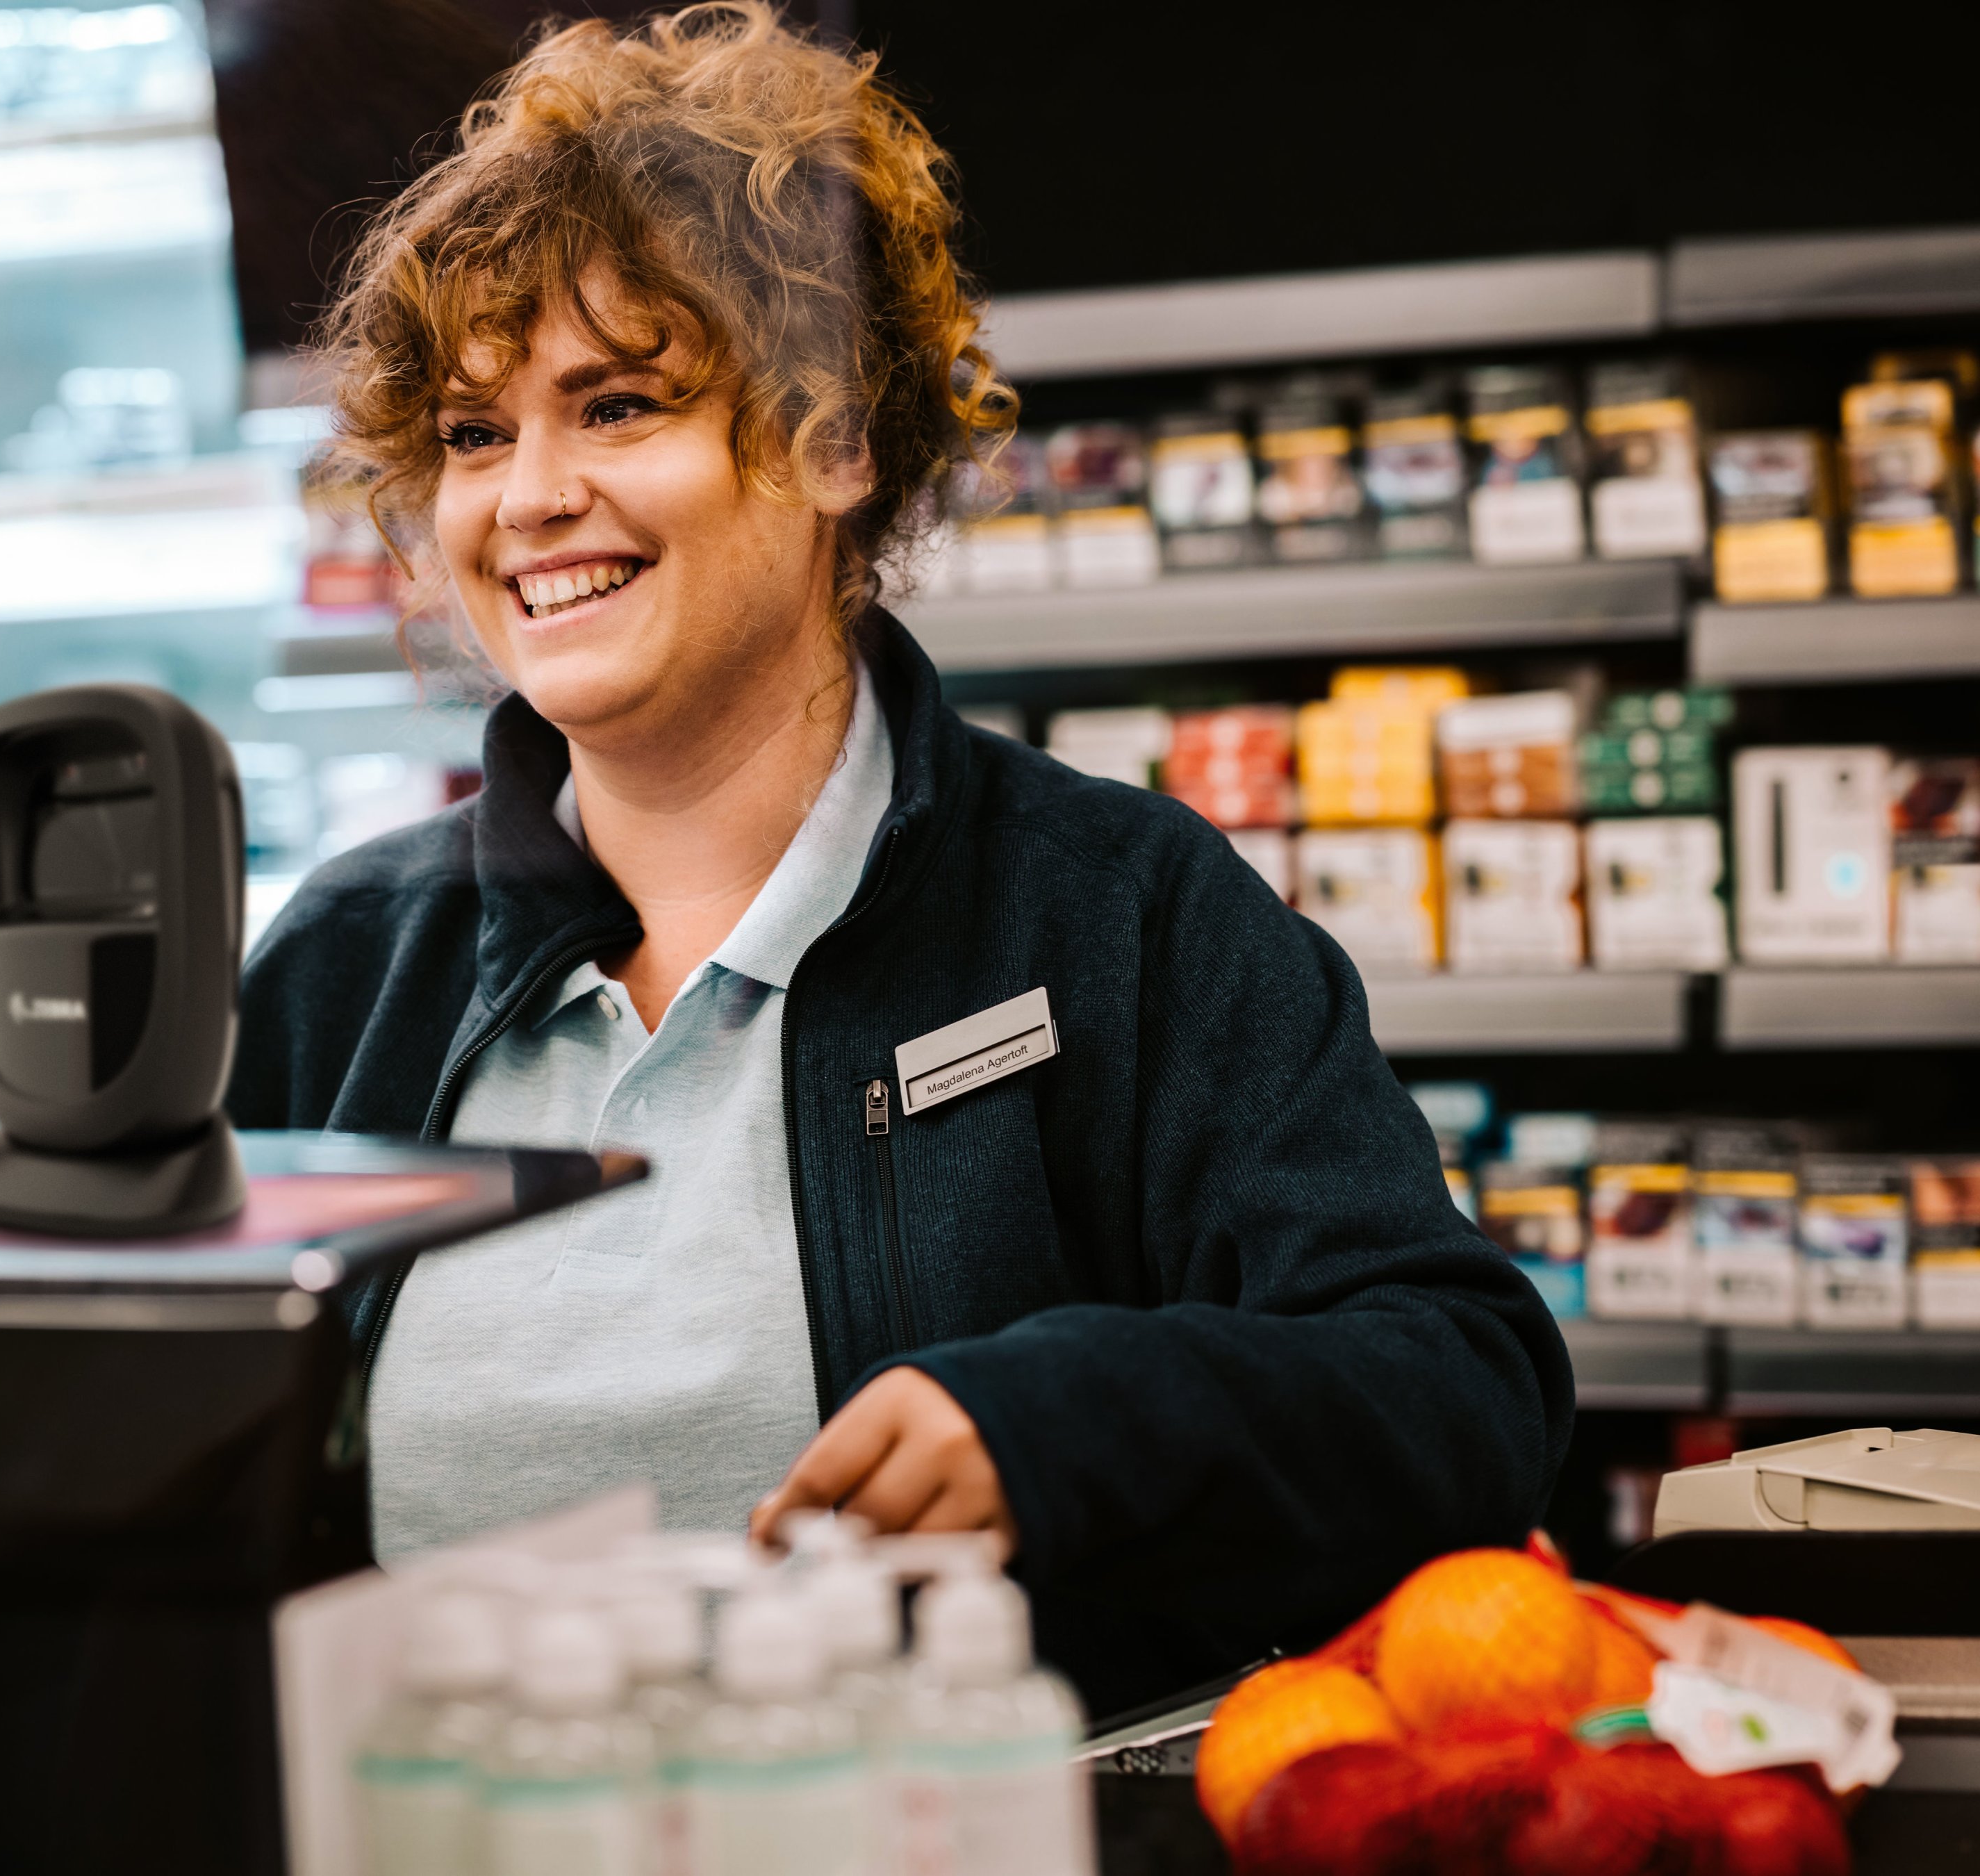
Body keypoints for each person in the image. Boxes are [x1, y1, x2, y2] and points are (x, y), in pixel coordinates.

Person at [229, 1, 1572, 1716]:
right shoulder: (350, 968)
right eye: (478, 436)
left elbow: (1462, 1387)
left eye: (619, 403)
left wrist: (1060, 1420)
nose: (531, 495)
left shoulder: (1112, 913)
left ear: (835, 439)